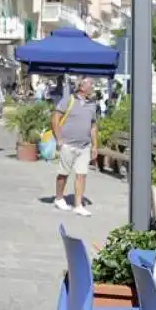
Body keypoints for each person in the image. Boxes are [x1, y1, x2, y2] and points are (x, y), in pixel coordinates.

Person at [52, 76, 98, 217]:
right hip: (68, 144)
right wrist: (59, 138)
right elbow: (55, 118)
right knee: (63, 174)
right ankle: (59, 198)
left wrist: (95, 146)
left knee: (81, 174)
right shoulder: (69, 100)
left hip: (84, 146)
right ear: (82, 87)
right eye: (91, 84)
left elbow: (93, 126)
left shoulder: (92, 104)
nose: (93, 87)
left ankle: (78, 205)